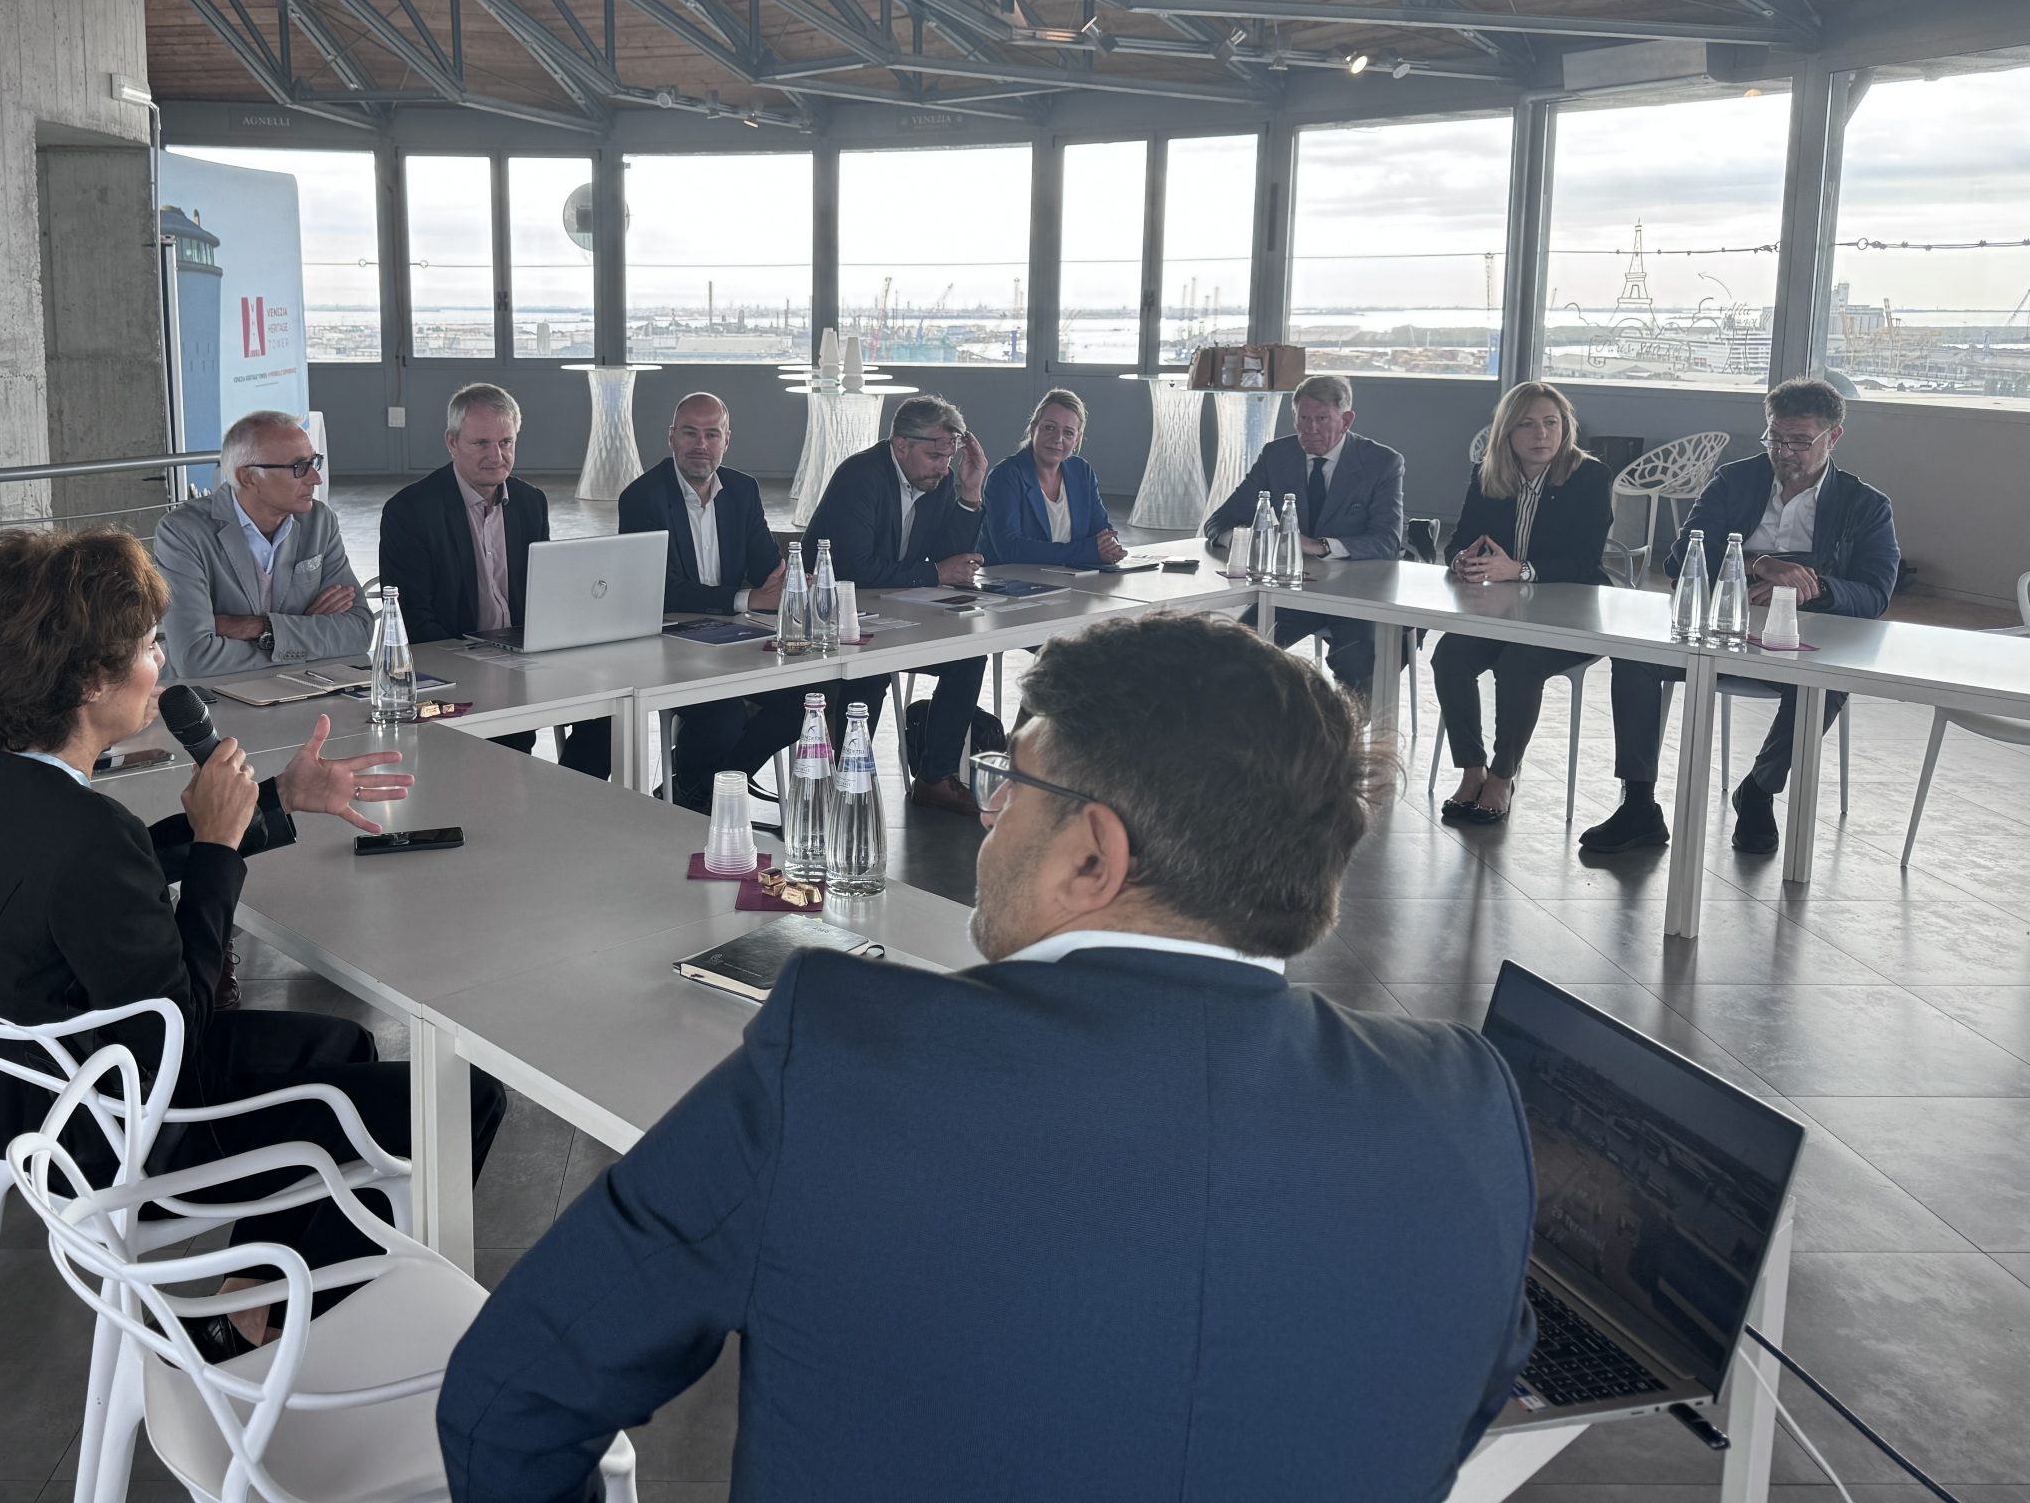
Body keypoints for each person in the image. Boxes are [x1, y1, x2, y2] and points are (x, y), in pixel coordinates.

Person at [436, 611, 1538, 1501]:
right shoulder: (1463, 1105)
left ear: (1094, 853)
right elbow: (1469, 1390)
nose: (991, 814)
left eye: (1014, 785)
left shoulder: (842, 1063)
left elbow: (508, 1399)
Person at [0, 526, 504, 1360]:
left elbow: (88, 885)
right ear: (89, 679)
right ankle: (314, 1334)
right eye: (151, 645)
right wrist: (221, 853)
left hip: (26, 1098)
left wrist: (273, 805)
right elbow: (179, 1042)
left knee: (345, 1043)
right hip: (124, 1130)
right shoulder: (85, 830)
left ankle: (250, 1304)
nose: (163, 665)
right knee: (459, 1102)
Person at [1580, 376, 1899, 859]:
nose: (1784, 451)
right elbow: (1680, 558)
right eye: (1775, 437)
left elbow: (1875, 593)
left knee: (1827, 686)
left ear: (1833, 437)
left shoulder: (1866, 505)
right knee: (1635, 659)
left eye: (1799, 441)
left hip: (1801, 634)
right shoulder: (1735, 480)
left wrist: (1808, 587)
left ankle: (1759, 790)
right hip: (1717, 625)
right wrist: (1756, 564)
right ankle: (1639, 805)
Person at [376, 384, 609, 778]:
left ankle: (563, 802)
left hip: (522, 657)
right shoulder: (411, 511)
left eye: (506, 442)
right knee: (507, 746)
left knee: (609, 711)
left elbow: (541, 593)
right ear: (451, 443)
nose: (496, 456)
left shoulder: (530, 502)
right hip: (455, 662)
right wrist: (489, 663)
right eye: (481, 443)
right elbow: (413, 620)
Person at [1431, 382, 1615, 827]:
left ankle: (1502, 775)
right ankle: (1472, 769)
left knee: (1518, 666)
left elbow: (1585, 560)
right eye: (1528, 424)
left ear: (1565, 428)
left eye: (1552, 423)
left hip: (1575, 614)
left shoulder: (1590, 477)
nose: (1542, 434)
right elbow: (1458, 541)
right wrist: (1461, 559)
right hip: (1503, 612)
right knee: (1448, 657)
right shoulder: (1487, 474)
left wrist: (1520, 570)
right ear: (1507, 433)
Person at [806, 394, 991, 816]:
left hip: (897, 609)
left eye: (948, 456)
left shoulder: (941, 480)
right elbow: (853, 569)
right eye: (934, 455)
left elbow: (951, 558)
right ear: (901, 444)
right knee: (869, 672)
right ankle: (848, 787)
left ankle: (935, 778)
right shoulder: (861, 476)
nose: (943, 466)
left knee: (968, 653)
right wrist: (935, 574)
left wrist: (969, 493)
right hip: (837, 614)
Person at [617, 393, 798, 813]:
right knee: (724, 713)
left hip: (737, 641)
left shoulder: (742, 489)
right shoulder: (642, 497)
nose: (701, 444)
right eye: (690, 433)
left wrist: (789, 581)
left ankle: (706, 788)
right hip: (669, 645)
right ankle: (703, 790)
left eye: (711, 434)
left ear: (726, 440)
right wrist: (748, 598)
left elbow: (766, 565)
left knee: (802, 701)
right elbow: (661, 588)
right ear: (671, 439)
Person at [1203, 374, 1405, 691]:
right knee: (1234, 652)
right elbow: (1218, 522)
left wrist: (1321, 546)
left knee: (1357, 662)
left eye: (1322, 419)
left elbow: (1387, 541)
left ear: (1346, 420)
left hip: (1355, 593)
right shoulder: (1277, 456)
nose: (1310, 429)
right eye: (1303, 419)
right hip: (1291, 591)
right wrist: (1247, 541)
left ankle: (1348, 732)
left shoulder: (1381, 462)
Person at [156, 409, 369, 680]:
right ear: (249, 477)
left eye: (314, 462)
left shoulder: (319, 522)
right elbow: (195, 656)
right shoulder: (183, 532)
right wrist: (303, 631)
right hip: (211, 700)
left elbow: (358, 631)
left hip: (302, 689)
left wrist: (261, 628)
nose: (316, 478)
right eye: (299, 467)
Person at [976, 388, 1127, 568]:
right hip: (1011, 582)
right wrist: (1086, 552)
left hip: (1071, 580)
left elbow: (1103, 533)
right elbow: (1010, 548)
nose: (1058, 438)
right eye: (1049, 428)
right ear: (1033, 429)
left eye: (1068, 432)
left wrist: (1111, 548)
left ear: (1077, 440)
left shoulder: (1082, 472)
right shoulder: (1005, 476)